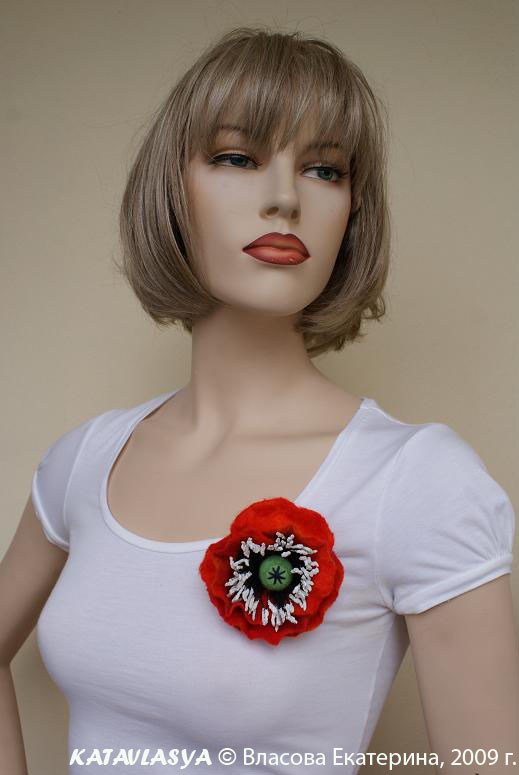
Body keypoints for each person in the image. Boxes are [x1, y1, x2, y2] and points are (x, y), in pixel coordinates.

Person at [1, 25, 517, 775]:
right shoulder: (85, 459)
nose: (284, 199)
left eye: (324, 170)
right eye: (237, 158)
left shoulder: (416, 480)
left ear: (353, 211)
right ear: (170, 190)